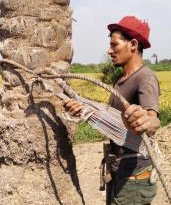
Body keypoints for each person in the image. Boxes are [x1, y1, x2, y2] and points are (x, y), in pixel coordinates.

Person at [64, 15, 161, 205]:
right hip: (119, 169)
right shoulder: (120, 80)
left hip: (134, 176)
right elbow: (110, 115)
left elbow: (152, 120)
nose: (109, 50)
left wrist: (146, 121)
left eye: (114, 44)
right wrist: (83, 108)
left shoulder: (145, 78)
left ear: (133, 45)